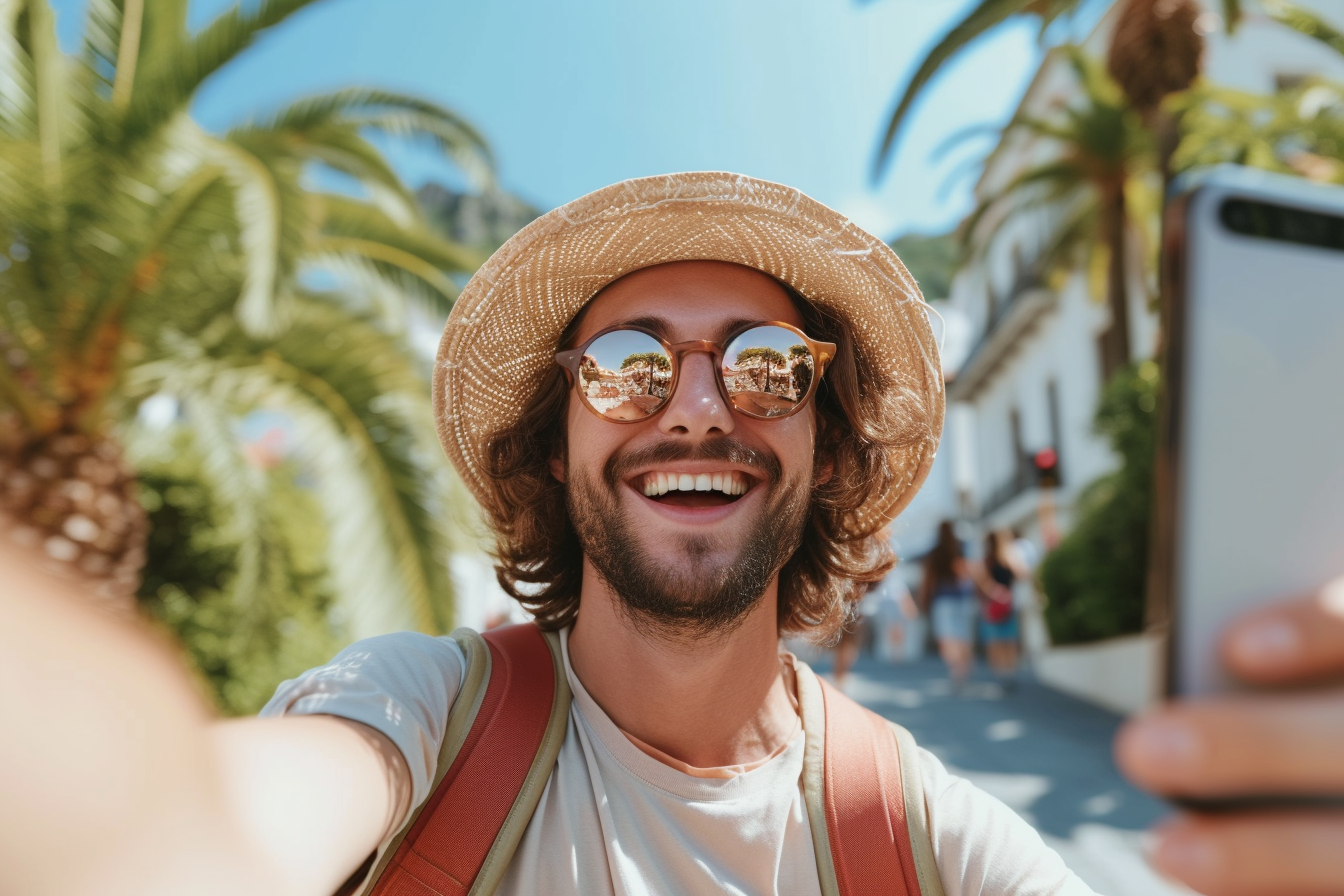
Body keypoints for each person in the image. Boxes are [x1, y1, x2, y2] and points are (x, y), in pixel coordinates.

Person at [2, 172, 1343, 896]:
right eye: (627, 367)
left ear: (825, 447)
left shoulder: (915, 828)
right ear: (557, 436)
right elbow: (198, 833)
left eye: (766, 365)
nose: (696, 407)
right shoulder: (421, 720)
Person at [918, 520, 978, 691]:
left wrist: (924, 600)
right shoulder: (962, 548)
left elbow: (928, 579)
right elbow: (969, 574)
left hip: (943, 600)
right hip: (963, 598)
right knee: (963, 636)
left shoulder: (934, 552)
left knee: (947, 638)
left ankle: (956, 670)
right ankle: (962, 671)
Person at [977, 529, 1029, 688]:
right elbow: (1023, 575)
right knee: (1007, 639)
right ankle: (1008, 673)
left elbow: (982, 582)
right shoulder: (1004, 559)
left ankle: (1002, 673)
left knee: (997, 640)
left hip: (995, 605)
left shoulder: (991, 560)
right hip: (1005, 603)